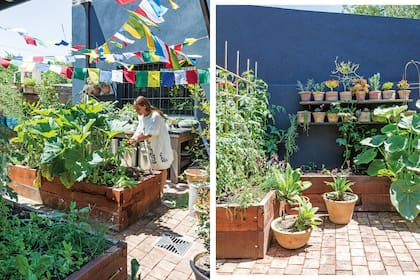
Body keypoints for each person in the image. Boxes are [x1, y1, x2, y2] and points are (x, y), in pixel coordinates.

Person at [128, 96, 174, 195]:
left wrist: (136, 139)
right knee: (153, 166)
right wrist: (133, 138)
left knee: (162, 167)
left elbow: (150, 134)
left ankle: (160, 191)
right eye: (136, 109)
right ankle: (155, 191)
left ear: (144, 106)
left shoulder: (155, 116)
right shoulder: (141, 116)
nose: (137, 111)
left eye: (138, 109)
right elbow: (140, 129)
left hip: (160, 144)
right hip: (150, 144)